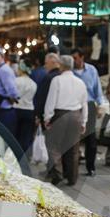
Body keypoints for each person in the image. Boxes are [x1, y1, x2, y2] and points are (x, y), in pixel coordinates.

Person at [43, 55, 88, 186]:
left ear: (61, 66)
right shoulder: (80, 82)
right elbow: (84, 103)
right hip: (76, 115)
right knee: (73, 148)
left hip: (60, 115)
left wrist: (47, 117)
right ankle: (72, 177)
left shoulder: (57, 80)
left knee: (54, 145)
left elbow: (51, 100)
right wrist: (84, 121)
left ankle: (58, 173)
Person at [72, 48, 105, 177]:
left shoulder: (91, 70)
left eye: (75, 58)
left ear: (82, 57)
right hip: (74, 105)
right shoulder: (70, 72)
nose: (73, 61)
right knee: (73, 137)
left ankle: (90, 167)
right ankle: (72, 167)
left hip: (89, 104)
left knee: (90, 138)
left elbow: (97, 89)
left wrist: (100, 105)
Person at [12, 60, 38, 155]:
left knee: (15, 135)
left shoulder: (16, 81)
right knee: (26, 136)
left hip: (17, 109)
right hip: (29, 111)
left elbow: (14, 96)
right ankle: (24, 156)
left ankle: (15, 155)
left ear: (21, 69)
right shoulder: (33, 83)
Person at [34, 53, 61, 125]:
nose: (45, 66)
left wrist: (38, 115)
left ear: (53, 63)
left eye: (46, 63)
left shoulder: (48, 78)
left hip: (49, 117)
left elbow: (42, 97)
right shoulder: (63, 76)